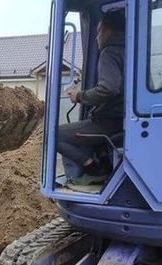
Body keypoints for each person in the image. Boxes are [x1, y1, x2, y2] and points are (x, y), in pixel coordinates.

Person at [57, 10, 125, 185]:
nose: (96, 38)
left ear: (107, 31)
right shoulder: (133, 52)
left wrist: (79, 95)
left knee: (54, 135)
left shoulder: (110, 52)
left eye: (98, 32)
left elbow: (108, 89)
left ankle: (93, 168)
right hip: (124, 120)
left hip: (108, 121)